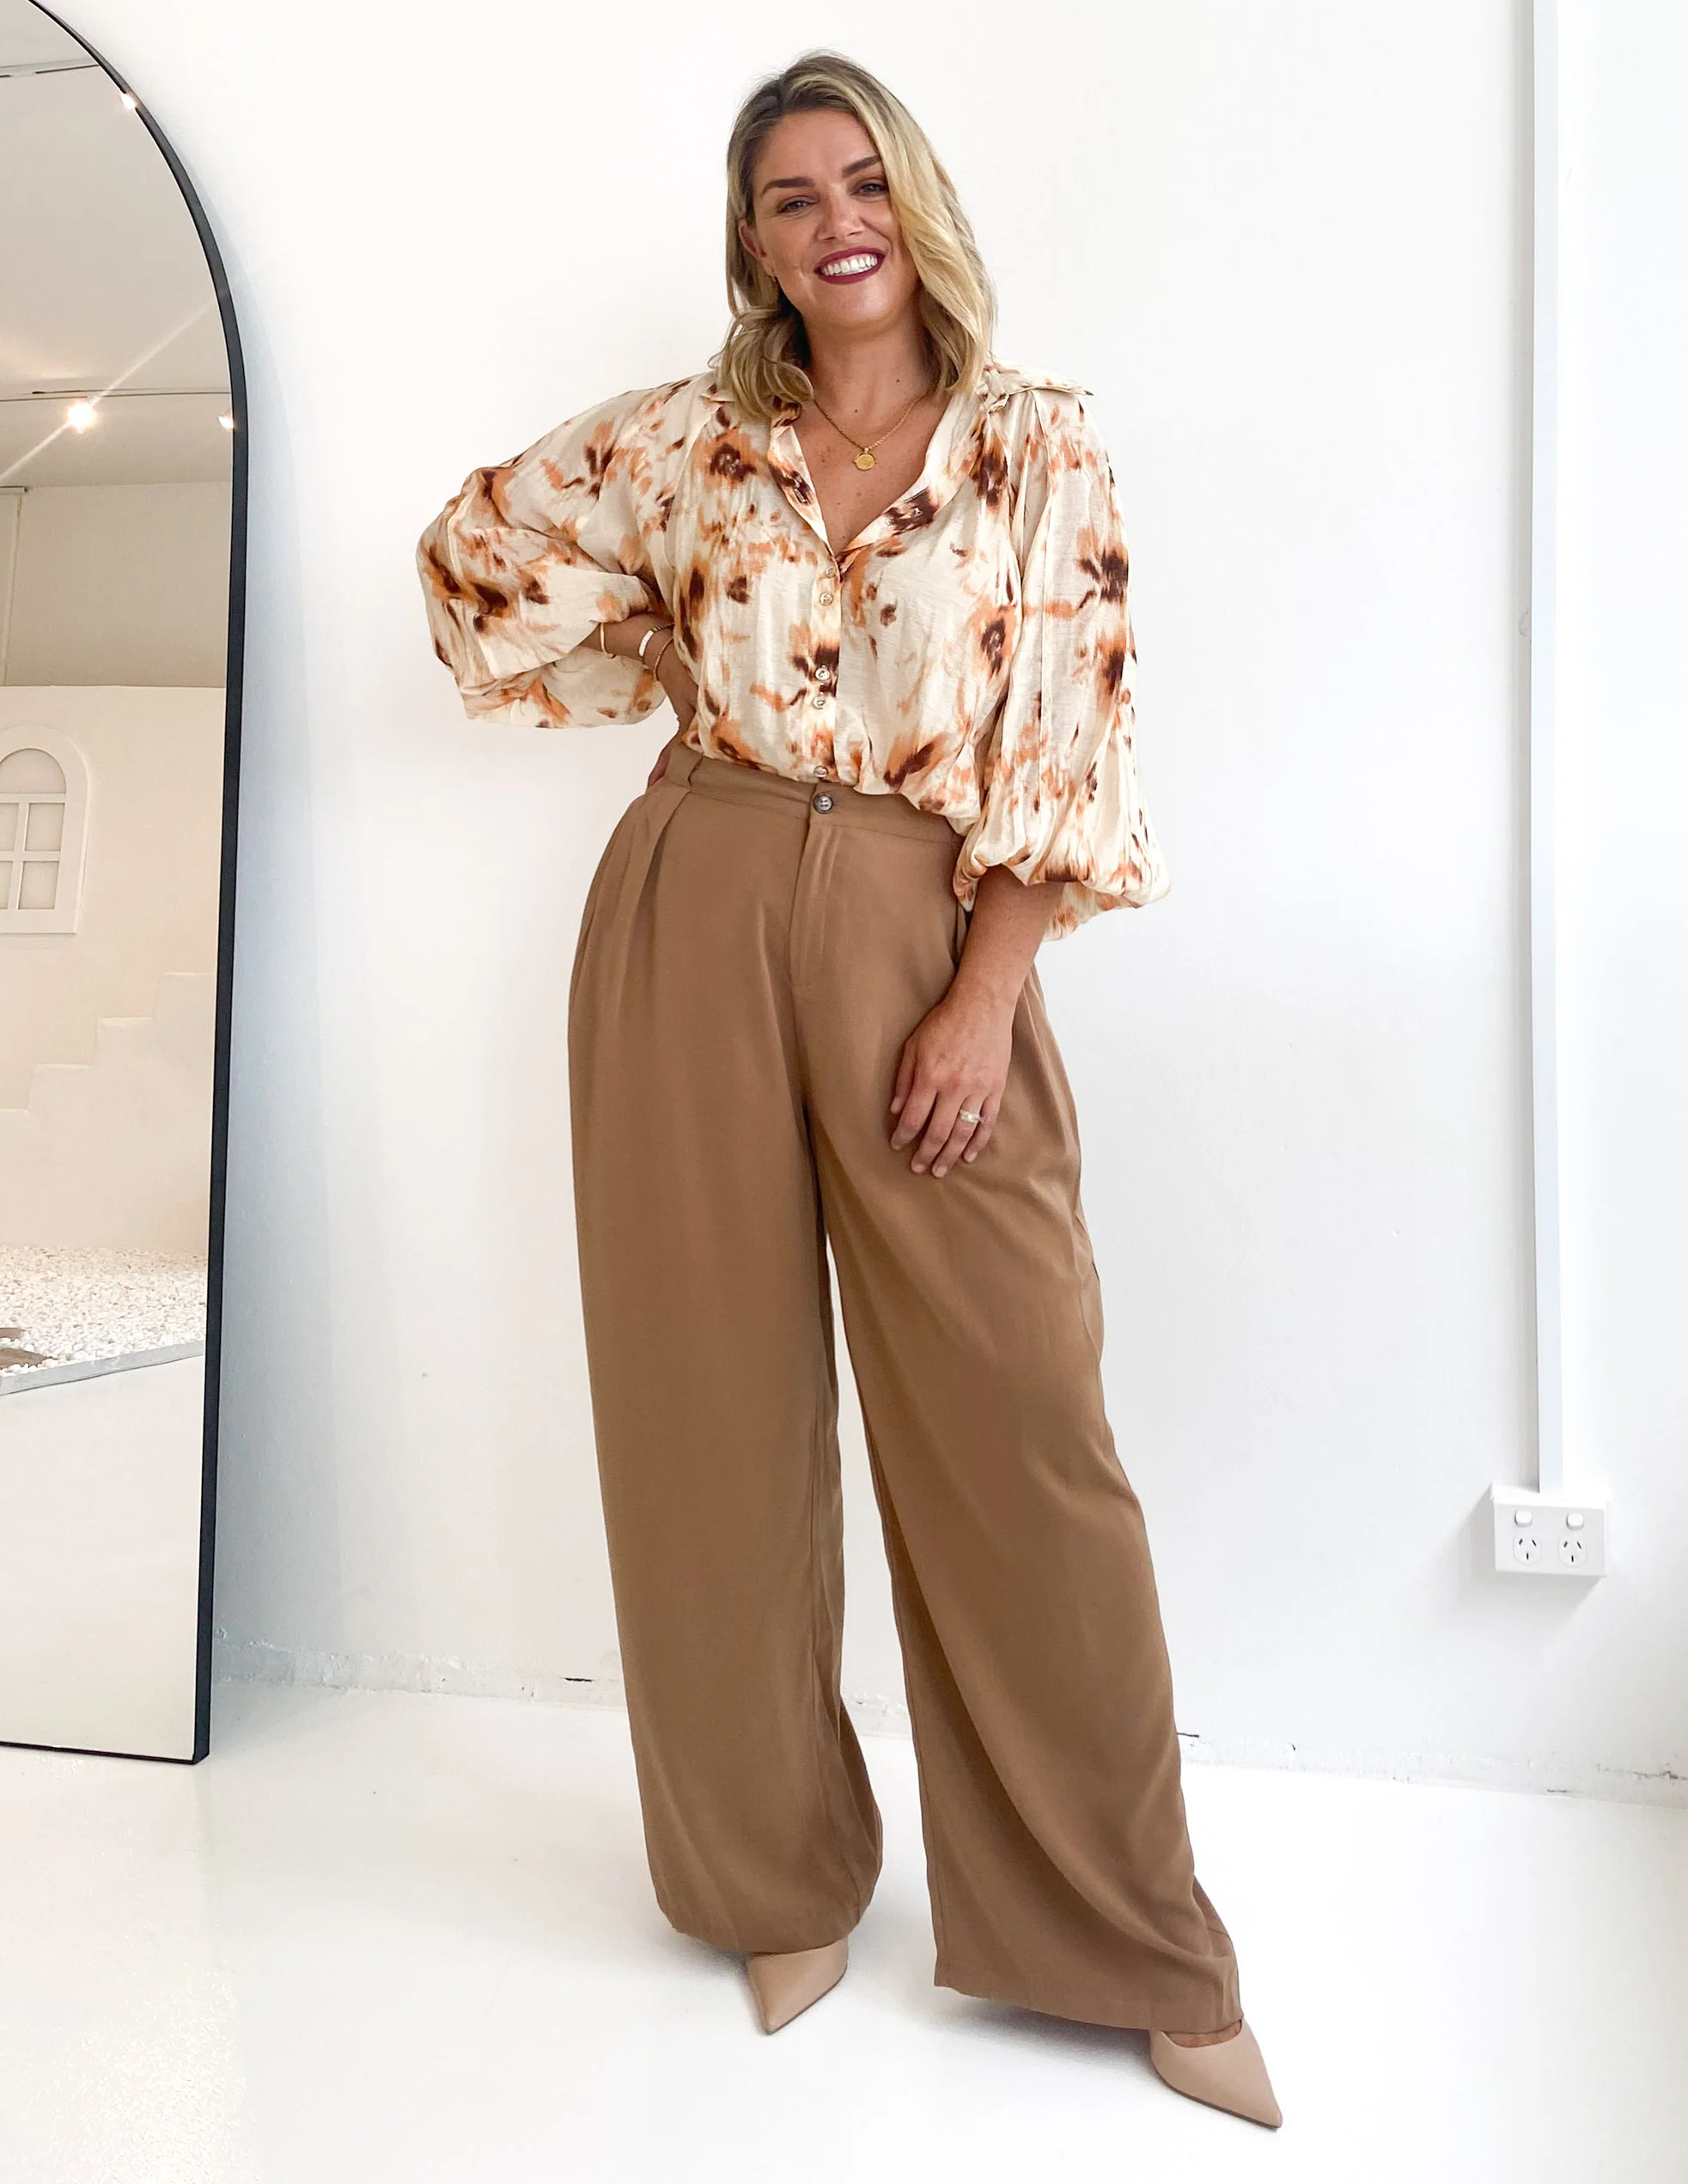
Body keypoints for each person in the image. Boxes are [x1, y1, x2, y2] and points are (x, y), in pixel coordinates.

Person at [417, 50, 1281, 2132]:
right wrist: (662, 667)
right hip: (694, 897)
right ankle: (767, 1876)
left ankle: (1129, 1935)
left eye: (862, 181)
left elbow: (1066, 742)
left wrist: (982, 995)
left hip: (928, 926)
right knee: (704, 1424)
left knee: (1021, 1432)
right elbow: (470, 558)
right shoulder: (687, 439)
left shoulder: (1036, 442)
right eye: (792, 196)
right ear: (753, 240)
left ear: (918, 201)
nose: (836, 223)